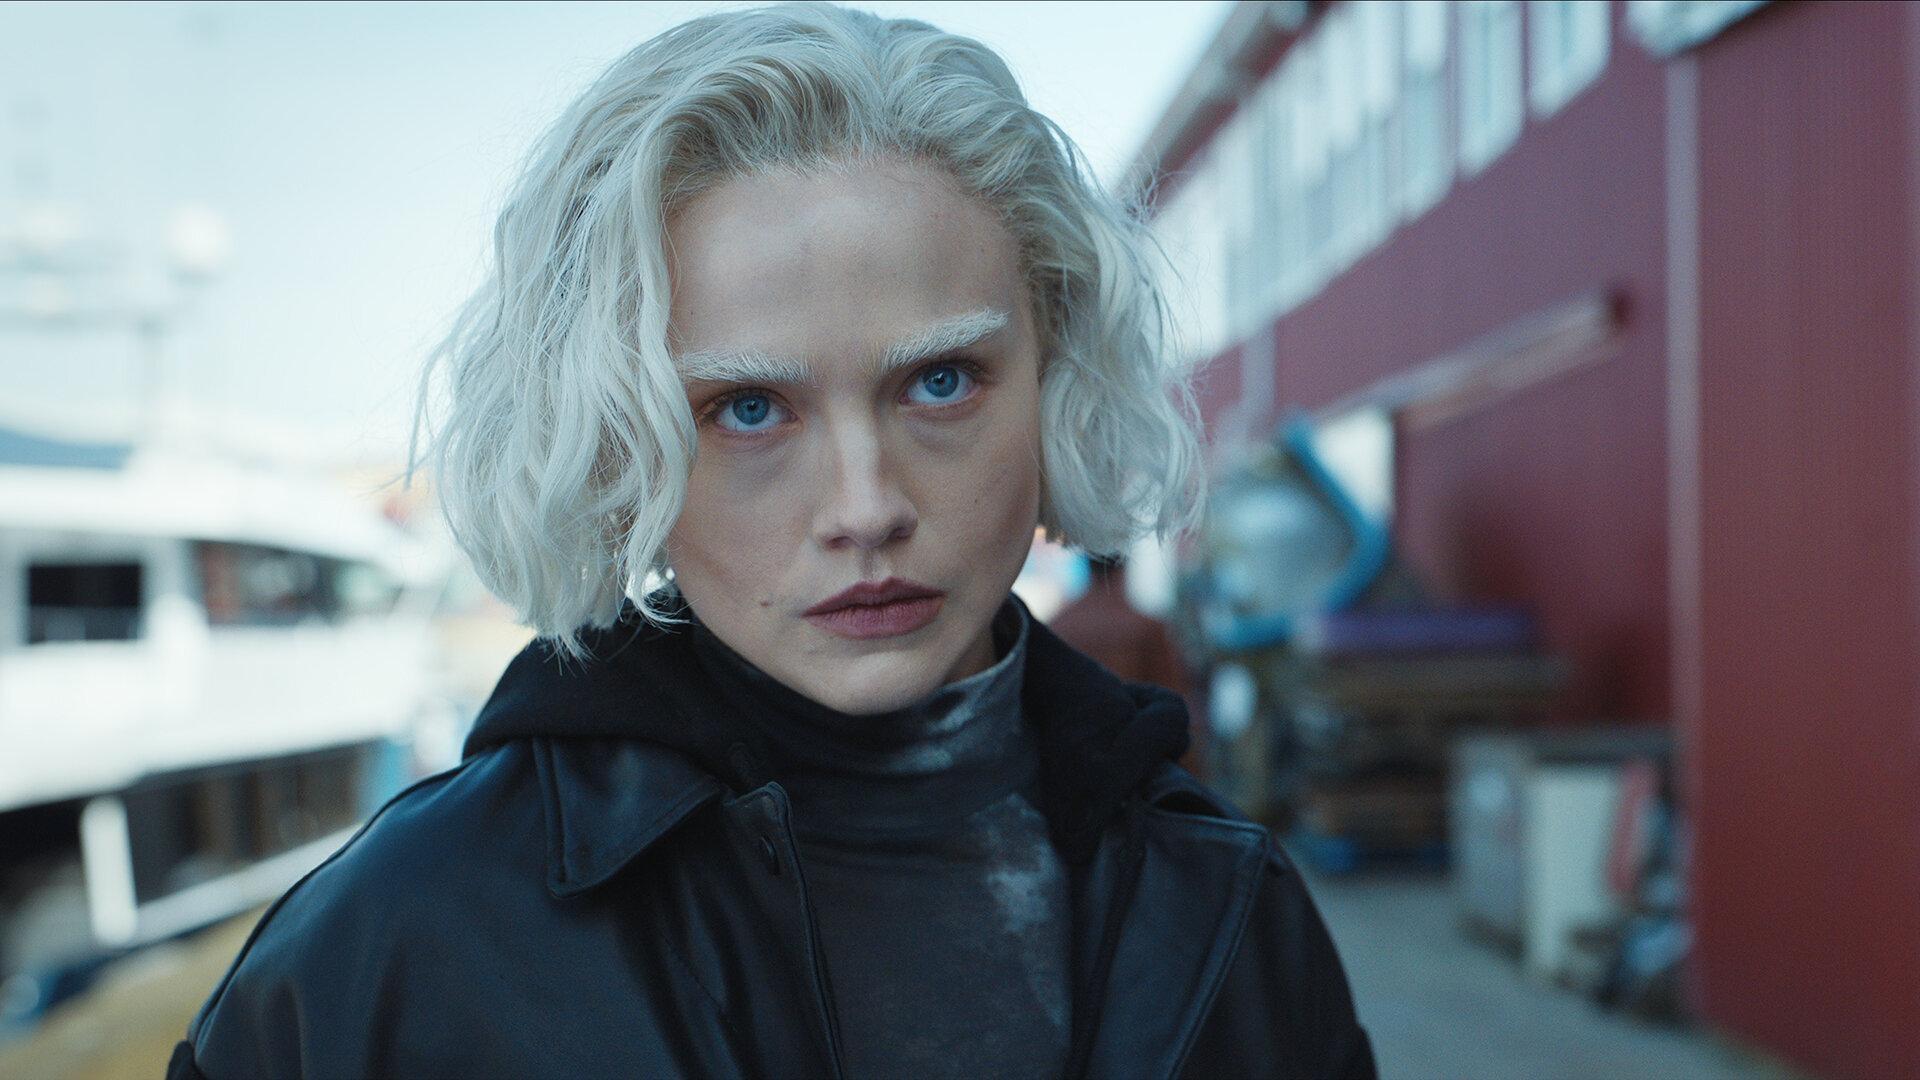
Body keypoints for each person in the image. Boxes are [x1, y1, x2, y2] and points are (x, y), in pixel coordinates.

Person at [167, 4, 1375, 1077]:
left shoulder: (1230, 905)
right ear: (621, 442)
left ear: (1052, 379)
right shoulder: (399, 944)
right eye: (748, 409)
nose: (865, 505)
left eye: (941, 381)